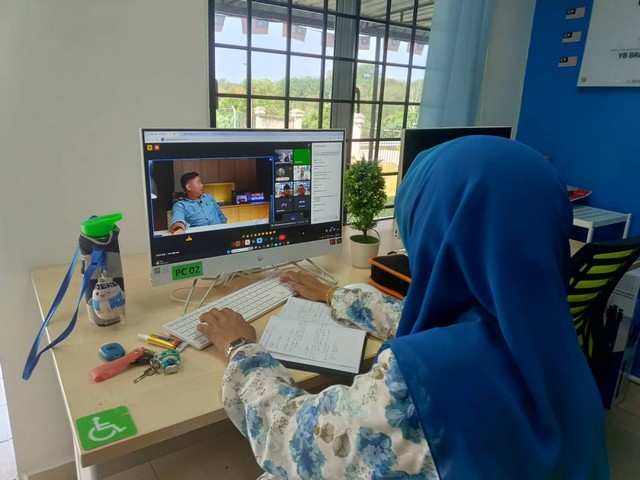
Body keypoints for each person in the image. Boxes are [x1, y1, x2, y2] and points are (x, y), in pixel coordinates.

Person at [196, 136, 609, 479]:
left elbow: (295, 440)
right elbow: (412, 316)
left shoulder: (423, 382)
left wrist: (241, 349)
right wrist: (335, 295)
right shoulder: (550, 339)